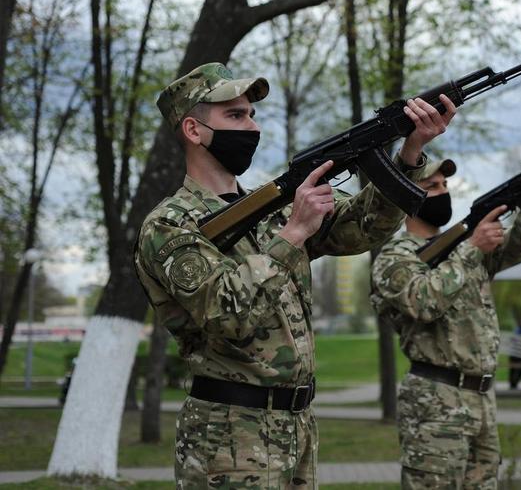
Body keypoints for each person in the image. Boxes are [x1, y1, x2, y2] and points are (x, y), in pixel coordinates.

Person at [134, 62, 455, 488]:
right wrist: (295, 233)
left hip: (297, 425)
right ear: (193, 130)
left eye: (251, 115)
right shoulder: (170, 225)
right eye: (234, 115)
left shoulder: (276, 208)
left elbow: (364, 225)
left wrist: (410, 152)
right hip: (229, 435)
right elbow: (227, 314)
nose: (251, 127)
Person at [371, 156, 521, 489]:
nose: (443, 192)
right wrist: (471, 247)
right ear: (406, 194)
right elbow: (423, 302)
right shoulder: (395, 256)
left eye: (445, 185)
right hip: (435, 398)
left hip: (481, 396)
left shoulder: (463, 247)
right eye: (431, 186)